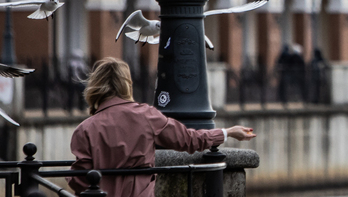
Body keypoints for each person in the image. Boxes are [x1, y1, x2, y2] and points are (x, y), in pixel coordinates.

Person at [67, 57, 256, 197]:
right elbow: (189, 139)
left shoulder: (85, 129)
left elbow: (79, 180)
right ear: (127, 85)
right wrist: (227, 132)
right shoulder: (147, 116)